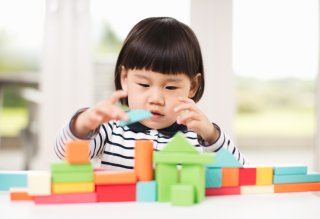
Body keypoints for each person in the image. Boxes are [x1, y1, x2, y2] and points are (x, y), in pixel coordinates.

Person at [54, 17, 245, 170]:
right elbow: (63, 154)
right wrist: (83, 123)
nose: (156, 99)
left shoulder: (198, 138)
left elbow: (240, 173)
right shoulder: (111, 130)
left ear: (193, 86)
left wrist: (212, 135)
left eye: (170, 87)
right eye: (144, 84)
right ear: (124, 79)